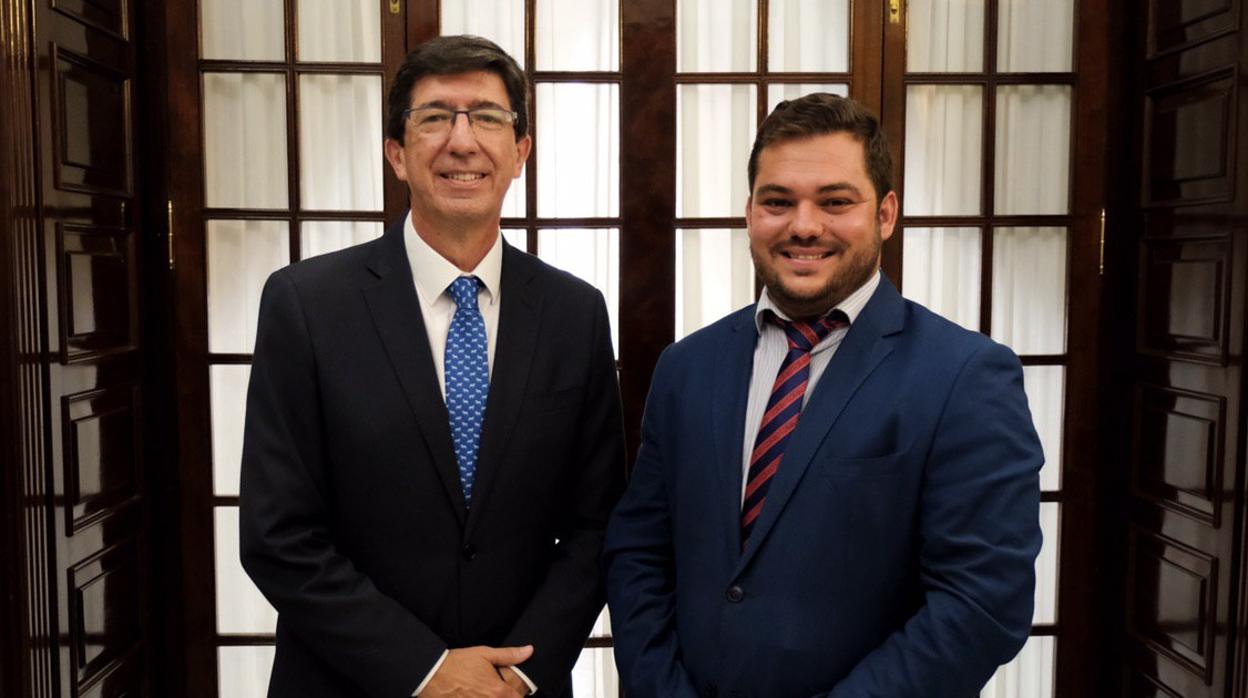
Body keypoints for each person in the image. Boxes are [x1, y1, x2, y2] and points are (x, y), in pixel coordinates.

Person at [604, 93, 1043, 697]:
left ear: (886, 214)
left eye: (836, 202)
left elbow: (983, 602)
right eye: (778, 202)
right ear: (750, 212)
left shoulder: (965, 376)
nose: (804, 225)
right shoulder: (687, 367)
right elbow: (640, 554)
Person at [240, 35, 625, 698]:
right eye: (435, 117)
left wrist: (519, 674)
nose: (462, 140)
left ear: (520, 152)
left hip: (517, 687)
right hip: (346, 682)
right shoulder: (305, 304)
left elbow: (599, 525)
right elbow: (279, 534)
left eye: (487, 117)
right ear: (397, 152)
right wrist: (428, 670)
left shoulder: (575, 313)